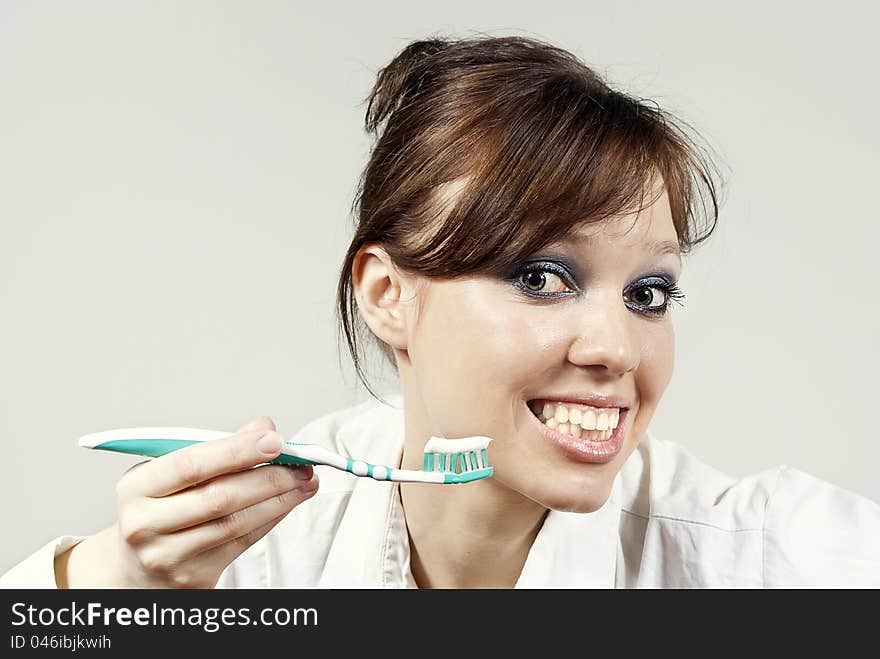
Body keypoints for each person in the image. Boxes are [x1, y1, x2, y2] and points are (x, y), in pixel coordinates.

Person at [2, 35, 878, 589]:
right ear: (387, 295)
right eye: (542, 276)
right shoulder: (266, 557)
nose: (617, 346)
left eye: (648, 294)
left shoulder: (760, 557)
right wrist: (111, 584)